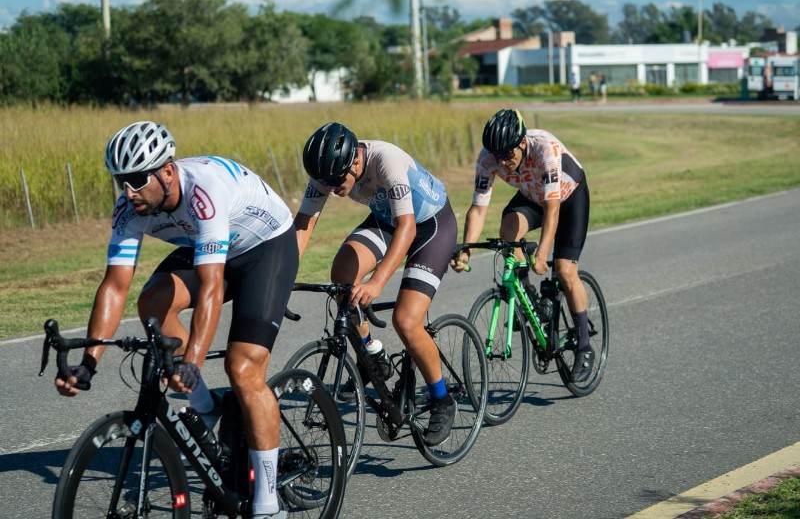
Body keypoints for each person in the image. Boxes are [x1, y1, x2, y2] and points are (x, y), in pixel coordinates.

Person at [55, 120, 296, 519]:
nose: (129, 192)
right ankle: (206, 406)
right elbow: (115, 286)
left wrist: (193, 363)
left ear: (167, 172)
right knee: (151, 303)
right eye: (121, 182)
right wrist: (89, 363)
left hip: (264, 247)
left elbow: (212, 288)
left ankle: (269, 504)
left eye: (136, 180)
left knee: (243, 368)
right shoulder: (129, 210)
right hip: (206, 245)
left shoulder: (204, 192)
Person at [295, 122, 458, 445]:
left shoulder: (387, 161)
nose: (330, 187)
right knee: (342, 276)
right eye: (324, 182)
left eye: (336, 181)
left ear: (355, 162)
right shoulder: (328, 170)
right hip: (386, 220)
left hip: (430, 226)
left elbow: (408, 229)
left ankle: (442, 399)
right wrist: (280, 277)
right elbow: (303, 225)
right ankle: (373, 355)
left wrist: (377, 281)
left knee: (406, 321)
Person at [451, 109, 594, 382]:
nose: (503, 163)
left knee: (564, 270)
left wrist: (541, 254)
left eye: (508, 154)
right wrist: (466, 249)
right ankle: (529, 296)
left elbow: (553, 210)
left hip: (568, 196)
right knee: (508, 228)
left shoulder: (545, 150)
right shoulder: (487, 159)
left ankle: (585, 345)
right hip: (532, 196)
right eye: (497, 156)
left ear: (522, 143)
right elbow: (478, 210)